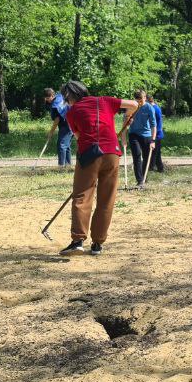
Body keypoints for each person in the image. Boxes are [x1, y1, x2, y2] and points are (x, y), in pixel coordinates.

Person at [61, 80, 139, 255]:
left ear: (70, 97)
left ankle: (78, 240)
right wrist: (128, 117)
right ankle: (97, 244)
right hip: (112, 153)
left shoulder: (72, 112)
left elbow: (79, 136)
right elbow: (134, 104)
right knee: (106, 199)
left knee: (82, 197)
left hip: (89, 155)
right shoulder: (104, 100)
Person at [123, 89, 157, 187]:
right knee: (137, 155)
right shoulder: (131, 107)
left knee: (146, 157)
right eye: (137, 100)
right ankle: (139, 180)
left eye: (141, 100)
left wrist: (153, 140)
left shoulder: (149, 108)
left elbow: (153, 125)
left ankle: (144, 177)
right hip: (134, 134)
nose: (139, 102)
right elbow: (125, 124)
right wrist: (124, 139)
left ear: (145, 98)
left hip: (146, 135)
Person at [44, 88, 74, 167]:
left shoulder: (56, 104)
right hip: (71, 123)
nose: (47, 100)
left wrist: (51, 132)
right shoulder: (59, 97)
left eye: (48, 98)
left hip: (67, 124)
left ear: (52, 96)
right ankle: (68, 165)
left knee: (62, 144)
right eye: (45, 98)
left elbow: (57, 119)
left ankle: (61, 166)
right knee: (66, 145)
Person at [151, 95, 166, 173]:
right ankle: (160, 168)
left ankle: (151, 167)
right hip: (158, 133)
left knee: (154, 152)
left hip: (156, 134)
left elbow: (154, 124)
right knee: (157, 152)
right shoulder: (156, 107)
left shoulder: (153, 109)